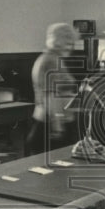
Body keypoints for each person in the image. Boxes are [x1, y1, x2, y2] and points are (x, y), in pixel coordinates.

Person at [26, 23, 79, 155]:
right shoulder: (51, 61)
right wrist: (58, 125)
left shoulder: (53, 59)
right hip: (51, 125)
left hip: (53, 122)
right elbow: (51, 95)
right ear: (59, 42)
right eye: (69, 42)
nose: (71, 47)